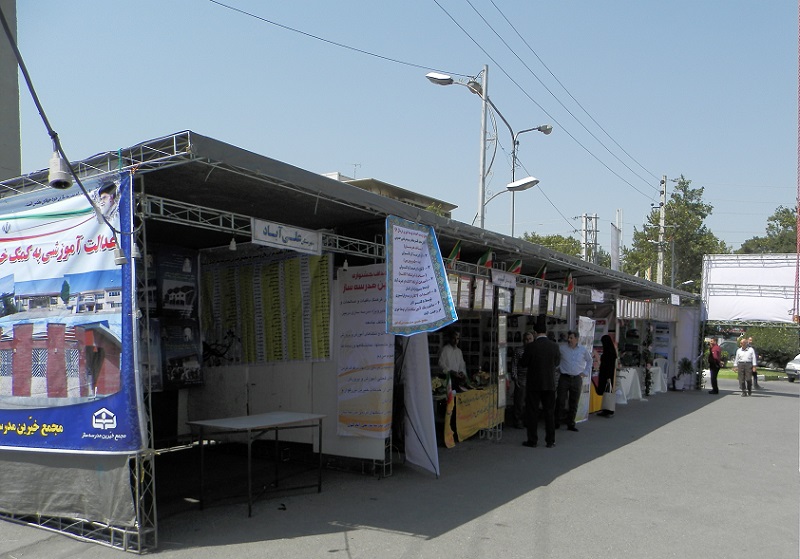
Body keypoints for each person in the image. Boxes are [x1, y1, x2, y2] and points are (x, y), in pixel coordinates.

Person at [520, 317, 560, 448]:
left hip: (534, 384)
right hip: (549, 383)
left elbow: (523, 363)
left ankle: (532, 440)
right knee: (549, 412)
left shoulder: (531, 347)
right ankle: (550, 440)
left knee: (532, 412)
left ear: (535, 332)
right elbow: (557, 363)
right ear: (546, 332)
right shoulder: (554, 346)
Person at [556, 331, 592, 431]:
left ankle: (571, 423)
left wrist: (585, 372)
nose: (569, 340)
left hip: (576, 378)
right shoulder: (562, 348)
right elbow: (556, 358)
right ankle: (556, 421)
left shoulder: (583, 350)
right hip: (564, 377)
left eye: (571, 338)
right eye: (569, 338)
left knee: (574, 401)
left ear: (577, 339)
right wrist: (557, 367)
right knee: (560, 400)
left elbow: (589, 360)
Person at [511, 331, 535, 428]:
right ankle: (518, 420)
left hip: (533, 378)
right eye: (526, 339)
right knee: (519, 402)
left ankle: (528, 420)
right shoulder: (518, 350)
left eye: (530, 339)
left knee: (531, 402)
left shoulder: (536, 350)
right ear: (523, 340)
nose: (528, 341)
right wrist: (515, 378)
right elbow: (514, 365)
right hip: (521, 378)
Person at [596, 334, 618, 417]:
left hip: (606, 375)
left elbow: (608, 366)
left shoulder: (608, 353)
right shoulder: (612, 352)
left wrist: (608, 377)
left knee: (607, 393)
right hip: (609, 375)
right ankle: (607, 409)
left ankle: (607, 409)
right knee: (608, 393)